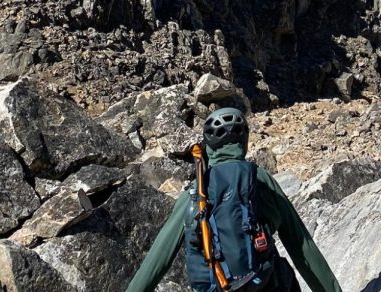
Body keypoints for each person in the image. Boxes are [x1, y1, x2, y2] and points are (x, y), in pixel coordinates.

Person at [126, 108, 343, 292]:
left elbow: (158, 259)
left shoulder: (194, 193)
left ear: (209, 145)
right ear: (244, 142)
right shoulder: (261, 180)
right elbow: (301, 245)